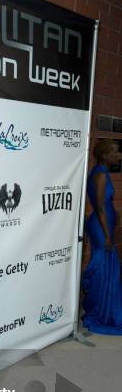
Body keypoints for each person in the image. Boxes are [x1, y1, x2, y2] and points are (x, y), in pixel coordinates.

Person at [82, 139, 122, 334]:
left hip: (103, 225)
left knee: (106, 268)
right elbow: (99, 206)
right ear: (106, 155)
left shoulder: (101, 172)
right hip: (101, 227)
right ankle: (101, 312)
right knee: (103, 269)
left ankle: (104, 307)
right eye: (116, 152)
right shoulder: (100, 175)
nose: (119, 155)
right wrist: (107, 235)